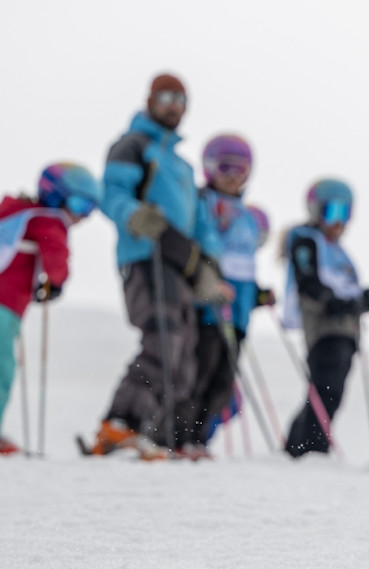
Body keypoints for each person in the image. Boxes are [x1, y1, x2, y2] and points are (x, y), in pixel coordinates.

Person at [89, 73, 230, 460]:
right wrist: (134, 215)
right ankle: (120, 424)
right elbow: (112, 193)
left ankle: (158, 435)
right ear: (150, 99)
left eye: (181, 100)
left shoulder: (182, 168)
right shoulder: (133, 146)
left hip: (178, 262)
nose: (174, 106)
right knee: (164, 341)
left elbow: (202, 225)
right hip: (145, 256)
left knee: (185, 356)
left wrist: (208, 268)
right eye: (167, 97)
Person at [184, 134, 276, 458]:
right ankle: (182, 437)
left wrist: (258, 295)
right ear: (210, 169)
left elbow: (245, 266)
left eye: (241, 169)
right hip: (211, 308)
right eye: (225, 168)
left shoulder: (248, 218)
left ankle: (199, 440)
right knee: (203, 371)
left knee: (224, 379)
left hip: (238, 314)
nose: (233, 176)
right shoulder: (204, 203)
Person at [0, 164, 101, 456]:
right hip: (5, 305)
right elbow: (56, 254)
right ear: (55, 197)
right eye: (80, 204)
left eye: (90, 208)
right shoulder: (49, 220)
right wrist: (56, 283)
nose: (82, 216)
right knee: (3, 367)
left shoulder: (15, 213)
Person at [281, 179, 369, 458]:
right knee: (327, 386)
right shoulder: (305, 240)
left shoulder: (339, 251)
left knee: (333, 388)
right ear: (314, 210)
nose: (338, 221)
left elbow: (346, 287)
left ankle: (300, 446)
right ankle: (310, 448)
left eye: (344, 213)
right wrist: (332, 302)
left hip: (346, 329)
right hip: (323, 327)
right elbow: (309, 281)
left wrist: (364, 299)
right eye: (330, 212)